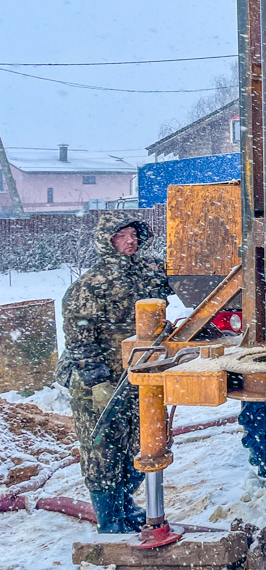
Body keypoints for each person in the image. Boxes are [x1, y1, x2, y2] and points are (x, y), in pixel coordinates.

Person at [57, 212, 171, 532]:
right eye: (121, 236)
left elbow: (188, 282)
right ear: (108, 242)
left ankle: (124, 503)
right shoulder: (89, 286)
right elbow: (80, 343)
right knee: (102, 450)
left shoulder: (150, 272)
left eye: (133, 234)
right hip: (97, 378)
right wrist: (97, 384)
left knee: (141, 444)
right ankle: (110, 519)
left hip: (137, 375)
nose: (130, 240)